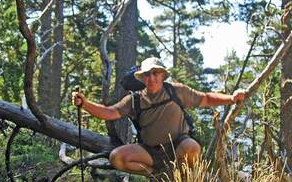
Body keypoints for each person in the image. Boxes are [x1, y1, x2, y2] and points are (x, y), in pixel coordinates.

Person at [72, 57, 245, 177]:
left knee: (192, 147)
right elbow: (109, 112)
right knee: (117, 157)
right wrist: (85, 104)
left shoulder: (176, 91)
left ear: (162, 75)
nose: (152, 77)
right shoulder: (134, 100)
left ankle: (183, 177)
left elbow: (205, 98)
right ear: (143, 78)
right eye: (147, 74)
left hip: (179, 146)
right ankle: (157, 175)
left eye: (156, 73)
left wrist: (232, 99)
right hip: (150, 151)